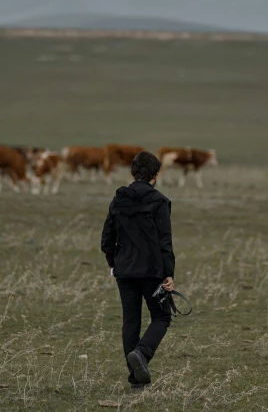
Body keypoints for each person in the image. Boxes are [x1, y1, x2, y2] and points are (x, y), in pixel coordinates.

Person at [101, 151, 175, 390]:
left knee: (131, 322)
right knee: (162, 316)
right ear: (155, 175)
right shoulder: (160, 201)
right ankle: (142, 354)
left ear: (133, 173)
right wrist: (169, 273)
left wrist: (115, 264)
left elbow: (106, 239)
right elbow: (165, 242)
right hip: (153, 271)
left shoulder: (117, 200)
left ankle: (135, 379)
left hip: (124, 271)